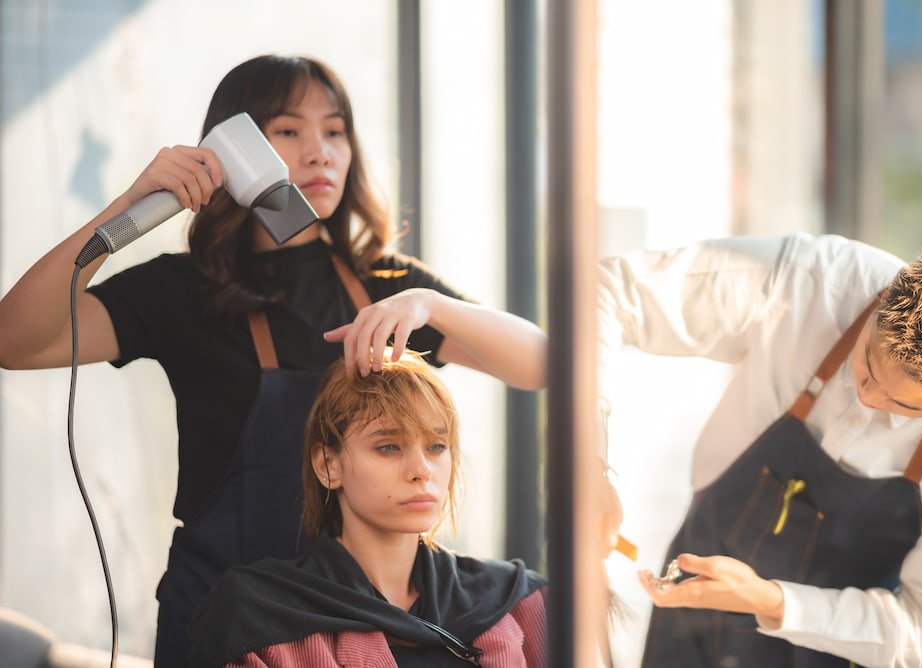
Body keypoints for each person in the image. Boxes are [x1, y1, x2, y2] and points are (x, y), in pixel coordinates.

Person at [0, 55, 546, 666]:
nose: (320, 152)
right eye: (289, 130)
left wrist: (433, 306)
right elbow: (15, 342)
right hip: (223, 626)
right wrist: (129, 204)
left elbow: (545, 364)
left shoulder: (386, 289)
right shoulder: (184, 292)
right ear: (232, 147)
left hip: (347, 636)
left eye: (335, 131)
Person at [597, 231, 922, 667]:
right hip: (692, 608)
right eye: (867, 363)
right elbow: (608, 291)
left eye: (902, 405)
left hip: (846, 649)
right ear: (885, 295)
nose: (867, 397)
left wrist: (772, 601)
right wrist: (588, 461)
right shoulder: (814, 281)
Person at [188, 351, 547, 667]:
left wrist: (430, 307)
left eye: (437, 446)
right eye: (389, 446)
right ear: (328, 465)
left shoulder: (516, 601)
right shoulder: (255, 613)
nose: (421, 469)